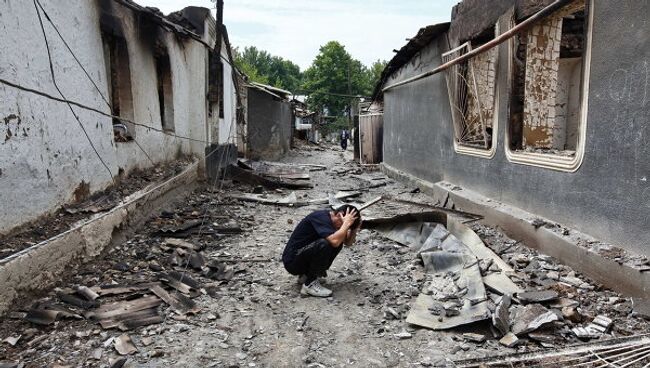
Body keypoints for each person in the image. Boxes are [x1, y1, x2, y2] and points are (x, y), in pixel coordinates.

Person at [282, 205, 361, 297]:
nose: (344, 227)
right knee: (326, 244)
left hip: (302, 257)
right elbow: (334, 242)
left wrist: (354, 228)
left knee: (338, 240)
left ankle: (306, 276)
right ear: (339, 215)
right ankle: (309, 285)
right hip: (292, 261)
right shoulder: (321, 217)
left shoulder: (335, 222)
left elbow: (348, 243)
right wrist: (346, 224)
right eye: (344, 223)